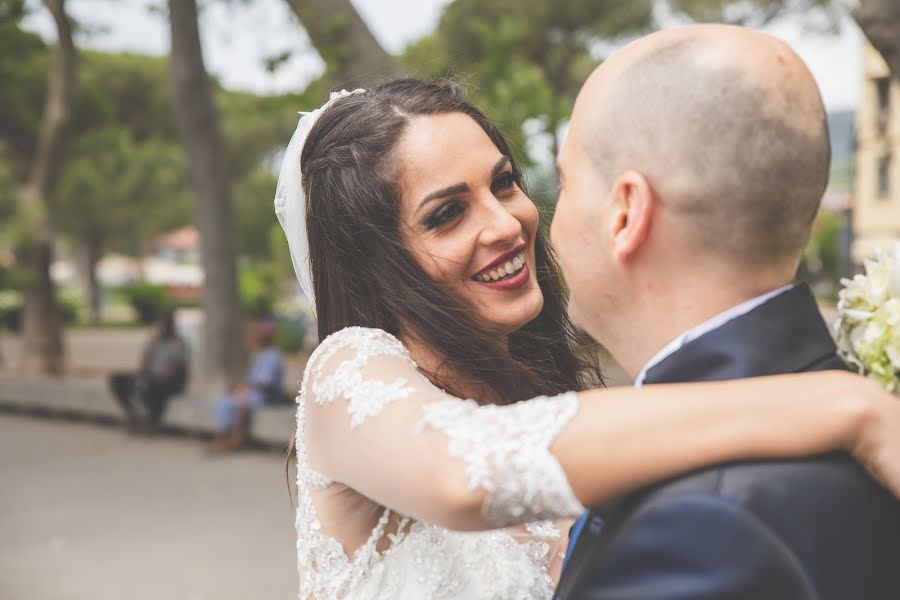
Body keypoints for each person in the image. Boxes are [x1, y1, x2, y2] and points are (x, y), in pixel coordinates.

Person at [274, 80, 900, 599]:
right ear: (377, 263)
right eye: (446, 214)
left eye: (504, 182)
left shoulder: (552, 402)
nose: (507, 222)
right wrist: (850, 410)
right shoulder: (345, 372)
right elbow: (460, 477)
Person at [551, 26, 900, 599]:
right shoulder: (846, 406)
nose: (544, 220)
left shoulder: (704, 526)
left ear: (625, 215)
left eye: (565, 183)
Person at [209, 320, 285, 452]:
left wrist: (246, 389)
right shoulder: (259, 354)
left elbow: (265, 382)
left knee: (233, 403)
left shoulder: (273, 355)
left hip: (266, 395)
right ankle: (225, 437)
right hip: (254, 392)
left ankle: (226, 438)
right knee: (225, 401)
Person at [109, 309, 188, 433]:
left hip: (170, 381)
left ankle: (152, 421)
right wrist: (142, 373)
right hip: (152, 377)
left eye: (167, 323)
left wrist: (157, 376)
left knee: (153, 387)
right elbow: (144, 363)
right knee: (118, 379)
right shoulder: (154, 342)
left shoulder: (178, 343)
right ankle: (132, 414)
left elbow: (177, 368)